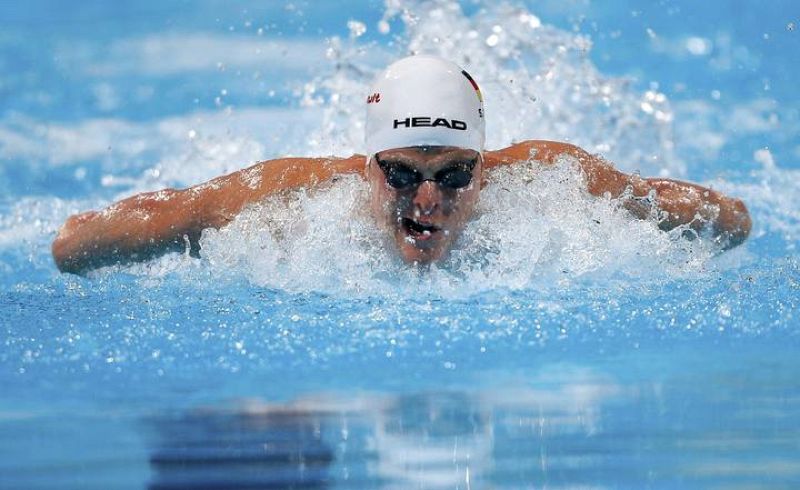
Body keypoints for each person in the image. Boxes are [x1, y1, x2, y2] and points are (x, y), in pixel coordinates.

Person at [52, 55, 751, 275]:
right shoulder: (281, 198)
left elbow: (725, 218)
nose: (427, 200)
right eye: (402, 174)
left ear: (482, 163)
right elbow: (80, 240)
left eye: (453, 174)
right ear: (367, 165)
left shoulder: (550, 180)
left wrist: (712, 226)